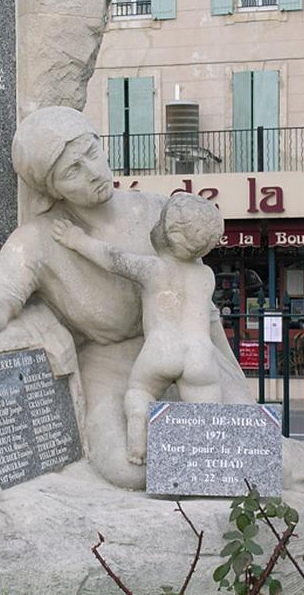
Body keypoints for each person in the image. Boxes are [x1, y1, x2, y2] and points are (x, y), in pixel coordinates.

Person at [0, 106, 304, 494]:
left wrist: (230, 375)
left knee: (254, 447)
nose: (93, 172)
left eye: (91, 152)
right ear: (52, 188)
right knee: (123, 466)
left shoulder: (157, 211)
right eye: (72, 171)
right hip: (113, 360)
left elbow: (198, 305)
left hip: (185, 349)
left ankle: (300, 464)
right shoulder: (40, 240)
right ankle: (212, 469)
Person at [51, 193, 225, 464]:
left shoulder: (154, 269)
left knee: (140, 393)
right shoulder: (206, 276)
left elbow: (113, 259)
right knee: (208, 414)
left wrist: (76, 239)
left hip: (161, 349)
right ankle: (208, 462)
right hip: (201, 355)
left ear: (166, 234)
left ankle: (138, 446)